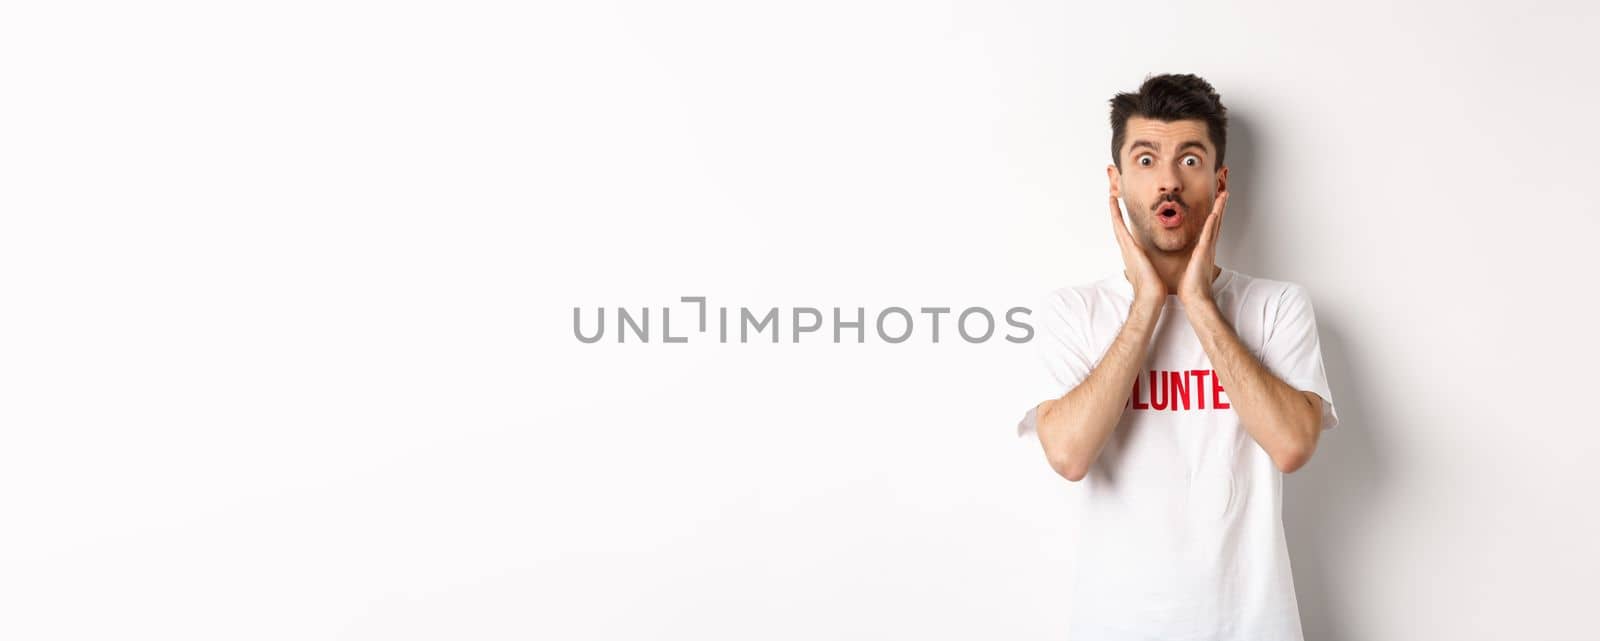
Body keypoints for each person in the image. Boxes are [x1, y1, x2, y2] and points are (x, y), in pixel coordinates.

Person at [1016, 73, 1341, 640]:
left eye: (1189, 161)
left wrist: (1196, 302)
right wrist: (1147, 302)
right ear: (1116, 181)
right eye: (1146, 160)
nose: (1168, 181)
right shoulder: (1074, 311)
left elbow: (1292, 446)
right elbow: (1068, 455)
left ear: (1220, 181)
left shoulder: (1276, 306)